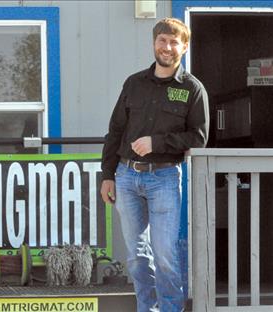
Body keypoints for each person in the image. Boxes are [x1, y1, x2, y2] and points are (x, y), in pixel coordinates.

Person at [100, 18, 209, 312]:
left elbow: (198, 137)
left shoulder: (192, 89)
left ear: (184, 47)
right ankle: (146, 308)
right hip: (125, 176)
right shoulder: (133, 83)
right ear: (154, 43)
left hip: (163, 178)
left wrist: (156, 143)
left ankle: (171, 309)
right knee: (136, 255)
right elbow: (115, 131)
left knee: (165, 254)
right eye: (162, 40)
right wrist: (107, 174)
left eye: (174, 42)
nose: (167, 47)